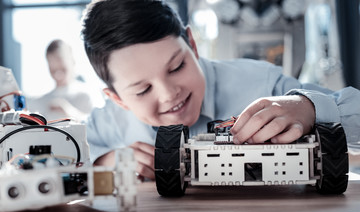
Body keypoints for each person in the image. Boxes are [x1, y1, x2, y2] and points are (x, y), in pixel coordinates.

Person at [81, 0, 360, 180]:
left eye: (177, 67)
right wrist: (102, 163)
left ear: (192, 43)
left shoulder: (260, 82)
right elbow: (58, 159)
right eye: (142, 90)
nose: (168, 94)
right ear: (118, 100)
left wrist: (309, 108)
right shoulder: (107, 123)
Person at [27, 39, 104, 121]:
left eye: (62, 69)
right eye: (53, 70)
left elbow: (99, 124)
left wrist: (69, 111)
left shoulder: (89, 93)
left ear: (72, 61)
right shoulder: (39, 102)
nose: (58, 75)